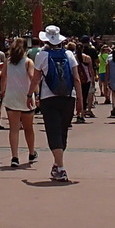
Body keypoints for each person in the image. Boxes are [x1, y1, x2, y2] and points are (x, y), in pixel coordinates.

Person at [30, 25, 78, 182]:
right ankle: (57, 164)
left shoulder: (42, 55)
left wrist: (30, 94)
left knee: (53, 131)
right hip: (68, 97)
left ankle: (61, 168)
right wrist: (80, 101)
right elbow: (76, 78)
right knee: (63, 131)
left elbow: (36, 79)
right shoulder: (69, 54)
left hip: (48, 97)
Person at [0, 36, 37, 167]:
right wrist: (36, 92)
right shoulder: (28, 62)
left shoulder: (8, 61)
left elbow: (3, 77)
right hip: (25, 96)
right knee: (28, 128)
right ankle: (31, 153)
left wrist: (2, 91)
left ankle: (14, 157)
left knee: (14, 129)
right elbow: (32, 77)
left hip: (11, 97)